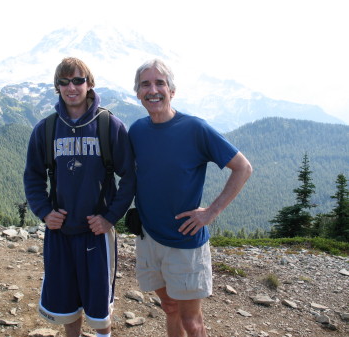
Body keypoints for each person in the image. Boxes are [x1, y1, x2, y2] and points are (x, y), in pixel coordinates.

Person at [128, 59, 252, 337]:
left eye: (160, 83)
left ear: (172, 90)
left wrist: (210, 212)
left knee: (192, 322)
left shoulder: (195, 128)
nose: (153, 90)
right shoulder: (137, 130)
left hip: (185, 242)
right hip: (148, 238)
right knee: (170, 308)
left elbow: (243, 167)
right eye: (145, 84)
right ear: (138, 93)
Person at [24, 57, 135, 337]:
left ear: (89, 83)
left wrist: (110, 218)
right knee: (66, 306)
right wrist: (44, 211)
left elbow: (130, 177)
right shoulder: (46, 129)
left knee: (99, 308)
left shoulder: (110, 125)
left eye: (77, 80)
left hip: (96, 233)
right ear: (57, 86)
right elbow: (33, 176)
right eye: (64, 82)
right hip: (60, 231)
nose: (71, 87)